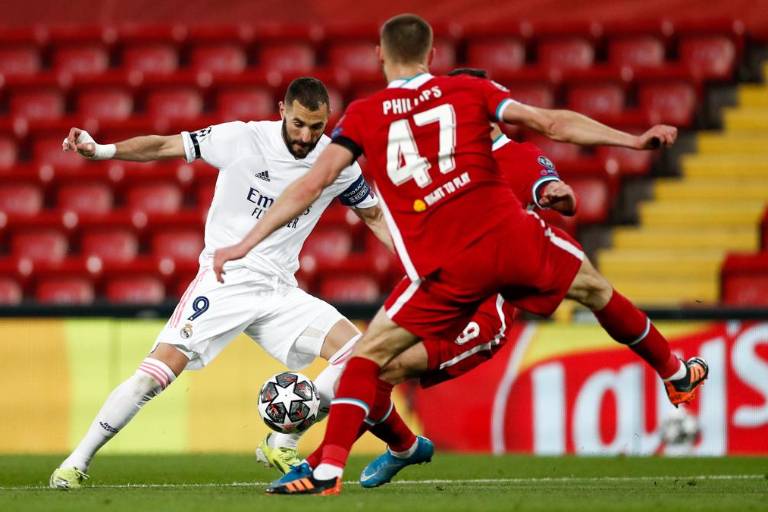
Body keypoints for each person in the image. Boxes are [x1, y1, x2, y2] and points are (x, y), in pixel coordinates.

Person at [212, 15, 708, 496]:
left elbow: (312, 183)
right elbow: (552, 123)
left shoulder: (368, 113)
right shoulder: (467, 95)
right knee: (595, 289)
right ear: (432, 55)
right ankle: (675, 372)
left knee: (369, 360)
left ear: (379, 55)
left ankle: (327, 467)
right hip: (503, 244)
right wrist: (631, 141)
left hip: (459, 279)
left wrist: (243, 244)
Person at [49, 76, 420, 489]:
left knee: (360, 359)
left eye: (316, 127)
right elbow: (165, 145)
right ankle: (76, 462)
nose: (305, 136)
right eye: (298, 124)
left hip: (280, 291)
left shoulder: (337, 163)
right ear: (282, 111)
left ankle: (282, 439)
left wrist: (416, 264)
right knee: (152, 376)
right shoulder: (242, 139)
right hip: (225, 280)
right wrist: (102, 150)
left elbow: (373, 216)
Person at [259, 71, 580, 488]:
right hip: (438, 297)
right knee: (368, 367)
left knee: (374, 370)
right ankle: (402, 448)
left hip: (482, 313)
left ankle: (325, 465)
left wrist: (555, 192)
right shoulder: (446, 162)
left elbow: (548, 186)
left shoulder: (518, 157)